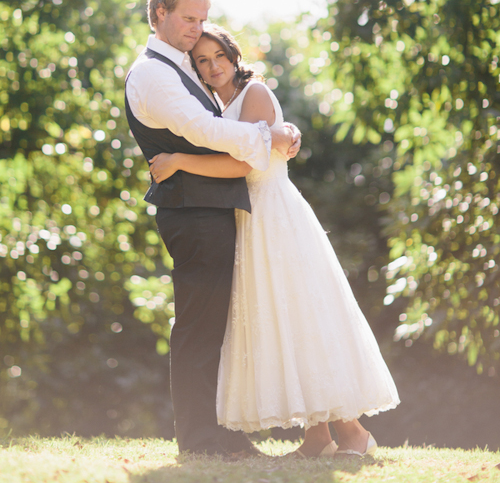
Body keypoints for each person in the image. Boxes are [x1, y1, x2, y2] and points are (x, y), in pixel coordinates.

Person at [149, 25, 400, 459]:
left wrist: (177, 162)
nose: (212, 67)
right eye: (203, 61)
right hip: (248, 221)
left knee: (303, 316)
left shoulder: (256, 92)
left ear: (234, 55)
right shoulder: (220, 103)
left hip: (275, 216)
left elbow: (243, 165)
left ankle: (354, 432)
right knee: (281, 322)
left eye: (219, 57)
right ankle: (317, 436)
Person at [125, 0, 300, 458]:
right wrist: (271, 138)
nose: (196, 27)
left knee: (214, 327)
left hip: (208, 209)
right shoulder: (153, 73)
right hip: (193, 212)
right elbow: (202, 129)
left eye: (202, 19)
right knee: (199, 328)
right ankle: (201, 440)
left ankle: (218, 432)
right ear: (159, 13)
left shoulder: (178, 66)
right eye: (188, 18)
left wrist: (277, 129)